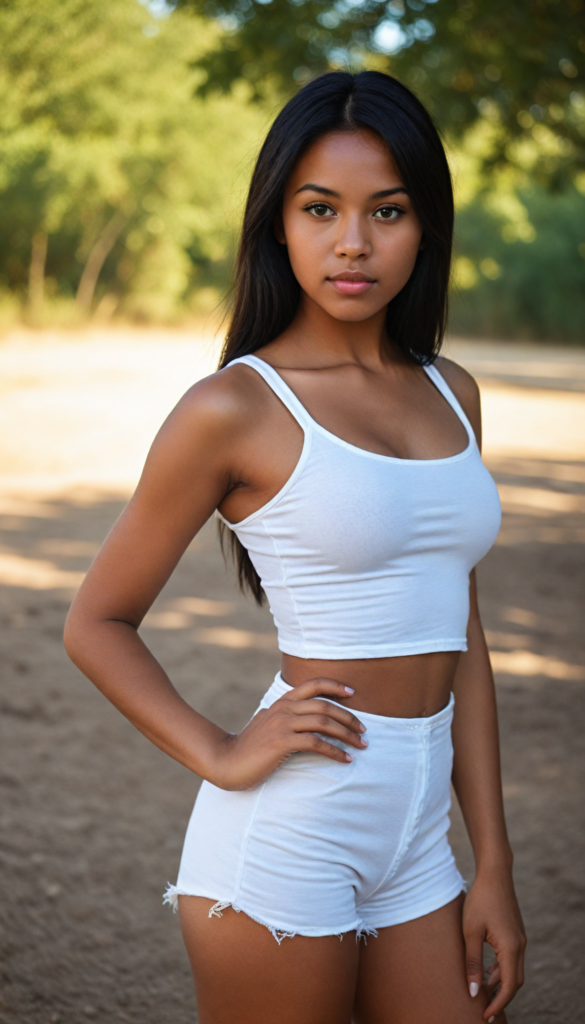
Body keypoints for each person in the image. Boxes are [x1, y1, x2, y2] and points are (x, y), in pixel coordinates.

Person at [64, 70, 526, 1024]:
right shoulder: (233, 406)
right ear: (278, 222)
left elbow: (462, 635)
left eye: (386, 211)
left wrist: (494, 864)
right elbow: (96, 621)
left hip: (420, 841)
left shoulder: (453, 393)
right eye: (320, 209)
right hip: (289, 832)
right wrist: (221, 752)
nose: (352, 242)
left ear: (425, 226)